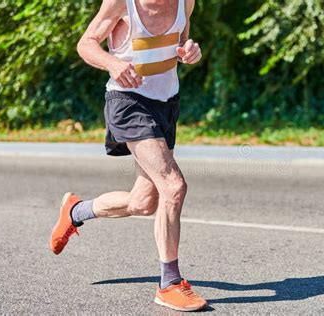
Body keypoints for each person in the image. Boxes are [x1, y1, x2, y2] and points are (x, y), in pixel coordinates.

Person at [49, 0, 206, 311]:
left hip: (166, 102)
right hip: (128, 101)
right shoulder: (123, 3)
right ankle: (170, 283)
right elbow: (86, 43)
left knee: (143, 203)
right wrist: (113, 63)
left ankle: (76, 211)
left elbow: (181, 43)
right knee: (173, 186)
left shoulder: (185, 2)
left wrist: (189, 51)